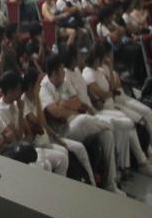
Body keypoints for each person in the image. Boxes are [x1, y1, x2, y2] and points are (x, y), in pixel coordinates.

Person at [40, 54, 121, 194]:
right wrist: (69, 108)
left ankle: (110, 183)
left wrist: (64, 104)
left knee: (106, 135)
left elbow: (77, 102)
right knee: (83, 119)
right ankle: (109, 124)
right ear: (54, 73)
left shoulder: (64, 82)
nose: (64, 72)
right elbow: (56, 113)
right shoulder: (45, 88)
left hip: (73, 122)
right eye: (61, 70)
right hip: (61, 132)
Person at [0, 71, 68, 174]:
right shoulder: (0, 111)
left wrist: (26, 138)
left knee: (62, 155)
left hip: (28, 145)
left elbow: (28, 132)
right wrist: (21, 111)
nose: (21, 92)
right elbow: (18, 139)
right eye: (18, 89)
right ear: (11, 91)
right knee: (50, 162)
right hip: (16, 152)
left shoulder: (15, 103)